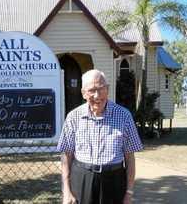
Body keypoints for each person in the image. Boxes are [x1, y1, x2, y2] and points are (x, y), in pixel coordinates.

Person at [57, 69, 143, 204]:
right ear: (83, 93)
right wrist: (66, 192)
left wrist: (129, 193)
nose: (97, 95)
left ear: (107, 89)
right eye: (92, 90)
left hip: (114, 182)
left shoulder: (124, 116)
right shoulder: (73, 117)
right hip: (82, 180)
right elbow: (66, 156)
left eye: (101, 88)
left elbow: (130, 158)